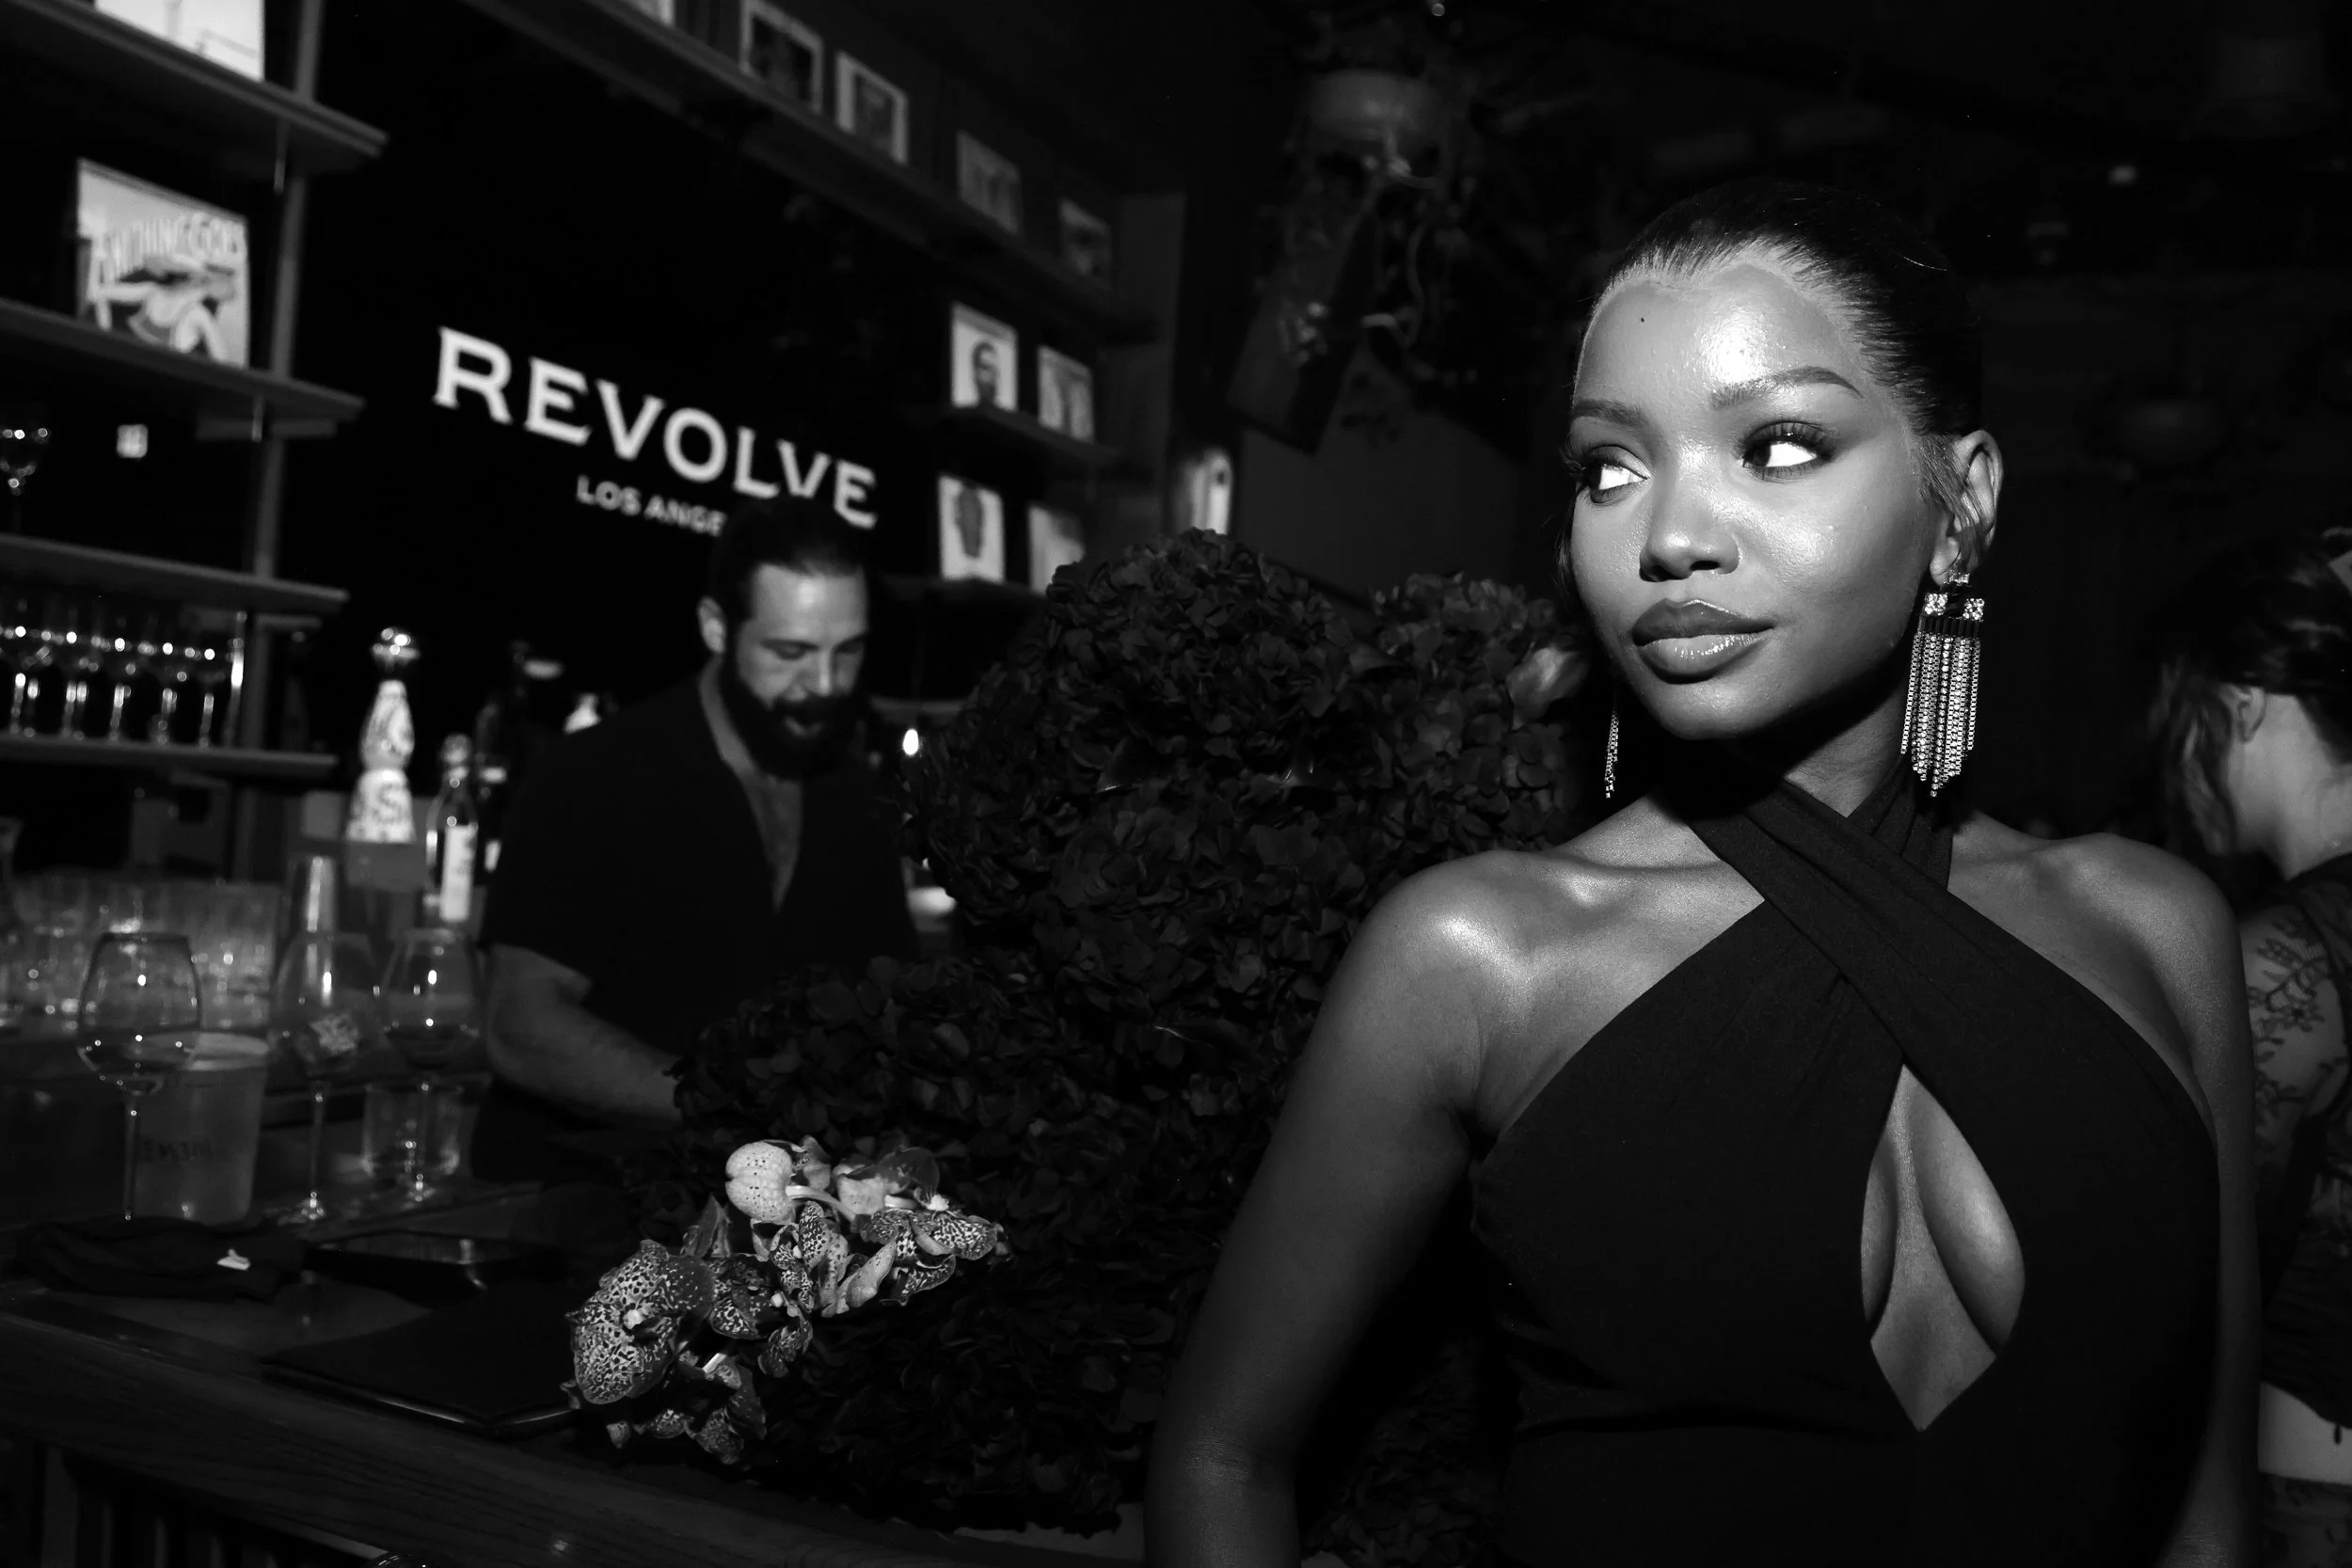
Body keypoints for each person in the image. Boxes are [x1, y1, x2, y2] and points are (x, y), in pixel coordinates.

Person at [1147, 178, 2257, 1565]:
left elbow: (2210, 1517)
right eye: (1610, 468)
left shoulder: (2156, 929)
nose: (1668, 536)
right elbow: (1221, 1452)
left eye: (1778, 444)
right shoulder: (1480, 956)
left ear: (1961, 502)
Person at [476, 497, 917, 1179]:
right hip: (574, 1214)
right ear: (716, 627)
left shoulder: (857, 794)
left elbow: (889, 1010)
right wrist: (744, 1115)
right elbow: (520, 1026)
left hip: (773, 1234)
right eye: (790, 651)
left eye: (848, 651)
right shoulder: (596, 774)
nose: (825, 684)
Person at [2154, 527, 2352, 1566]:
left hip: (2311, 1486)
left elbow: (2194, 1269)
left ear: (2234, 706)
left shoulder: (2283, 953)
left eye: (2175, 723)